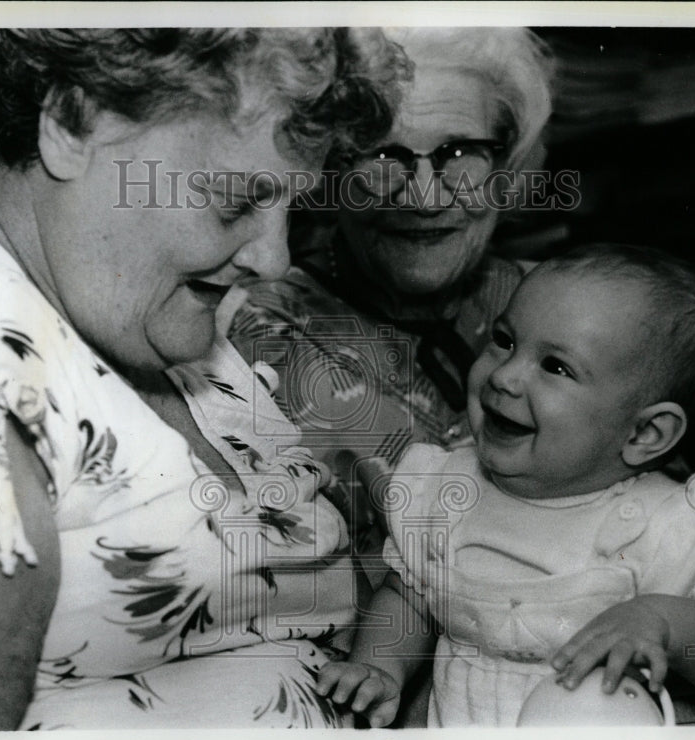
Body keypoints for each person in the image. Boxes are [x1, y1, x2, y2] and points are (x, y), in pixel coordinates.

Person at [0, 27, 410, 732]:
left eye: (292, 208)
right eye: (235, 201)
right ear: (73, 122)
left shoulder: (135, 304)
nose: (273, 258)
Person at [316, 244, 695, 727]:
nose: (506, 376)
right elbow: (410, 596)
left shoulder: (662, 522)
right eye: (504, 339)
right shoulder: (448, 489)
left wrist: (664, 623)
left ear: (644, 434)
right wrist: (379, 665)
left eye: (555, 366)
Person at [228, 28, 554, 542]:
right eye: (382, 158)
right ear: (328, 171)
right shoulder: (260, 334)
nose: (424, 198)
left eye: (461, 151)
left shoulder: (561, 298)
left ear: (506, 164)